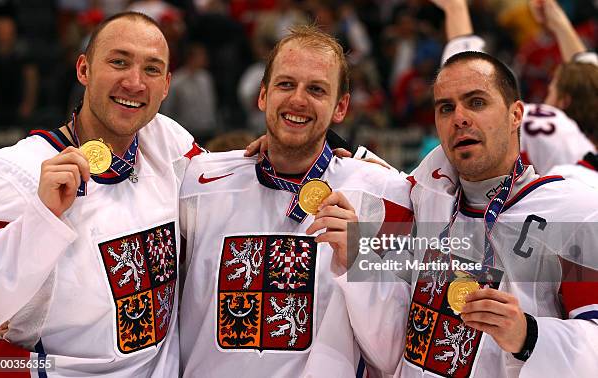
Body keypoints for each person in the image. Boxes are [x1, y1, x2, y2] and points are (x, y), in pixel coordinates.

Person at [337, 50, 598, 377]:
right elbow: (369, 179)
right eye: (446, 108)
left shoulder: (573, 211)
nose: (459, 117)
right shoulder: (427, 193)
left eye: (476, 102)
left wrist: (527, 335)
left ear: (515, 114)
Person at [176, 25, 413, 377]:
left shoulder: (386, 196)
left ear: (341, 107)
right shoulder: (198, 180)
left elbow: (393, 356)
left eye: (316, 89)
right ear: (263, 96)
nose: (298, 99)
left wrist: (358, 260)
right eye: (286, 85)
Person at [0, 12, 197, 376]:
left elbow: (232, 185)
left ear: (165, 86)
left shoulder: (167, 141)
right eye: (119, 62)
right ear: (83, 70)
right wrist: (42, 219)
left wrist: (322, 157)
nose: (134, 82)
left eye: (151, 69)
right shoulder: (16, 170)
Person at [432, 0, 596, 175]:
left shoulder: (540, 122)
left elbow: (467, 77)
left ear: (564, 102)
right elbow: (589, 78)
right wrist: (559, 24)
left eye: (551, 91)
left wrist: (455, 8)